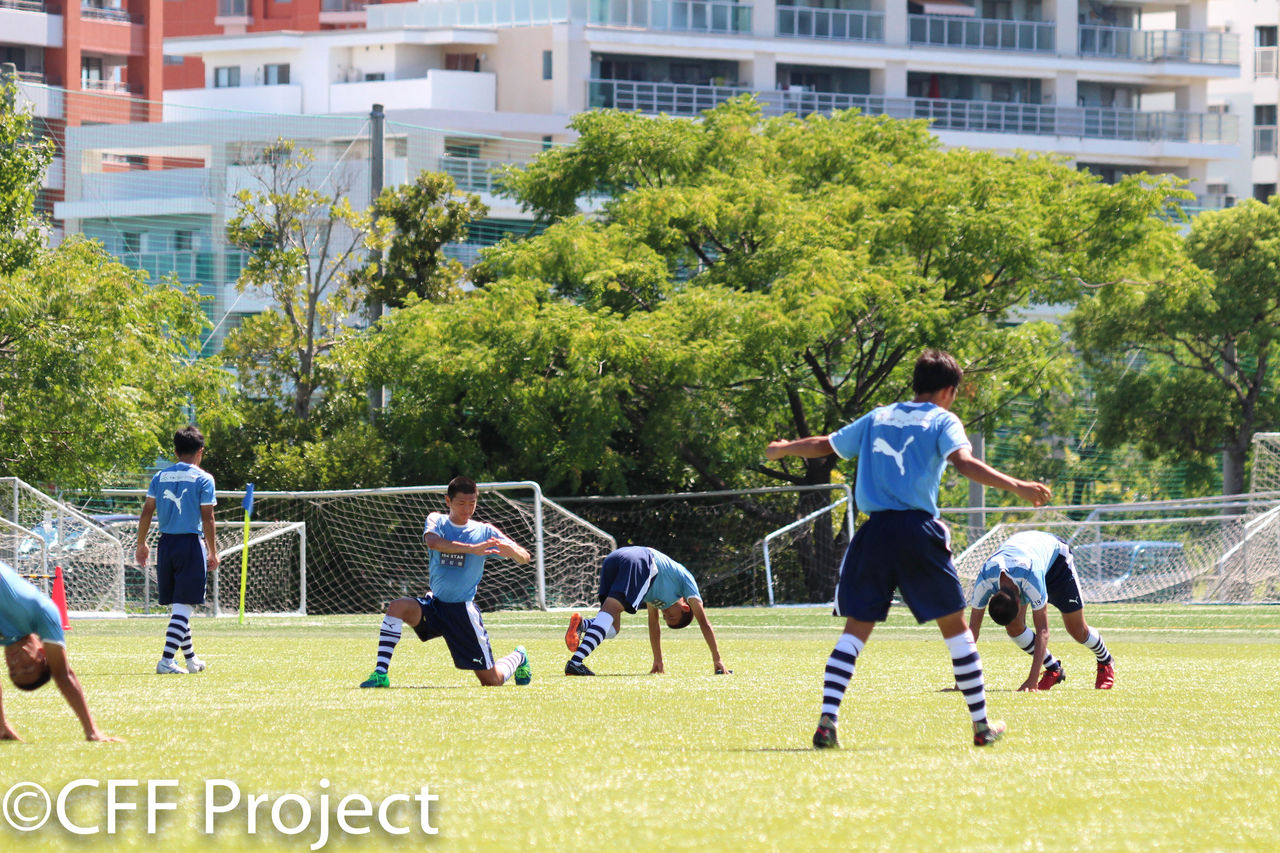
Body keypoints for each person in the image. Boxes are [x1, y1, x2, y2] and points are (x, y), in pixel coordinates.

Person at [765, 348, 1052, 749]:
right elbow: (965, 464)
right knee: (957, 633)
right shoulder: (942, 420)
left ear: (916, 384)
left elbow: (823, 444)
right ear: (949, 391)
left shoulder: (877, 417)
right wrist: (1018, 487)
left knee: (853, 633)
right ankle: (982, 726)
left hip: (874, 534)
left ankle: (827, 720)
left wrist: (783, 449)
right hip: (918, 533)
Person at [360, 477, 533, 688]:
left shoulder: (485, 531)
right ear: (448, 501)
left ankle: (519, 656)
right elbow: (433, 542)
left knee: (492, 681)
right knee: (397, 607)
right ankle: (380, 674)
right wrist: (471, 549)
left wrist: (512, 552)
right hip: (435, 606)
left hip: (462, 612)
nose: (467, 509)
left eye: (472, 503)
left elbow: (525, 556)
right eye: (461, 503)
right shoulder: (437, 520)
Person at [968, 530, 1115, 691]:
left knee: (1077, 630)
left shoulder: (1031, 578)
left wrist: (1032, 680)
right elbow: (973, 631)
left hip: (1056, 563)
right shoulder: (984, 581)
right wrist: (962, 680)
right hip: (1026, 558)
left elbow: (1043, 630)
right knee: (1014, 628)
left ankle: (1106, 660)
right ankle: (1054, 669)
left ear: (1019, 601)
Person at [563, 545, 729, 676]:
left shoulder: (656, 596)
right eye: (671, 616)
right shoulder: (686, 581)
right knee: (608, 614)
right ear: (686, 607)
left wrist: (658, 660)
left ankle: (582, 625)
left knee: (612, 628)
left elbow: (653, 623)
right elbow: (704, 623)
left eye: (667, 618)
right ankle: (576, 663)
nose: (666, 614)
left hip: (615, 558)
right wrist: (717, 659)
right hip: (641, 560)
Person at [0, 560, 120, 741]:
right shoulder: (43, 613)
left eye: (13, 670)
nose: (16, 663)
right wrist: (91, 730)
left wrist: (2, 725)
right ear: (42, 653)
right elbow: (64, 675)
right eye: (27, 667)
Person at [135, 424, 219, 675]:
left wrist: (141, 544)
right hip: (190, 544)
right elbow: (208, 518)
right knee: (184, 607)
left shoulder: (159, 477)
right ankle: (166, 660)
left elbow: (147, 511)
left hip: (166, 544)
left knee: (180, 606)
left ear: (175, 451)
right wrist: (213, 551)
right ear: (200, 451)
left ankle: (191, 660)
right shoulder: (204, 478)